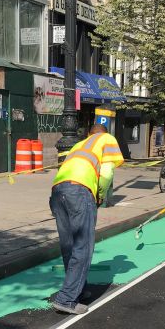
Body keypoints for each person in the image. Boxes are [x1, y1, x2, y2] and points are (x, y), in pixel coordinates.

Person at [49, 124, 124, 314]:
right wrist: (100, 196)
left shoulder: (78, 145)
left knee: (68, 245)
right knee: (83, 246)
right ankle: (66, 299)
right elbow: (106, 174)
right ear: (102, 133)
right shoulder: (107, 139)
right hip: (80, 191)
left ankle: (77, 290)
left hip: (58, 191)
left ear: (89, 134)